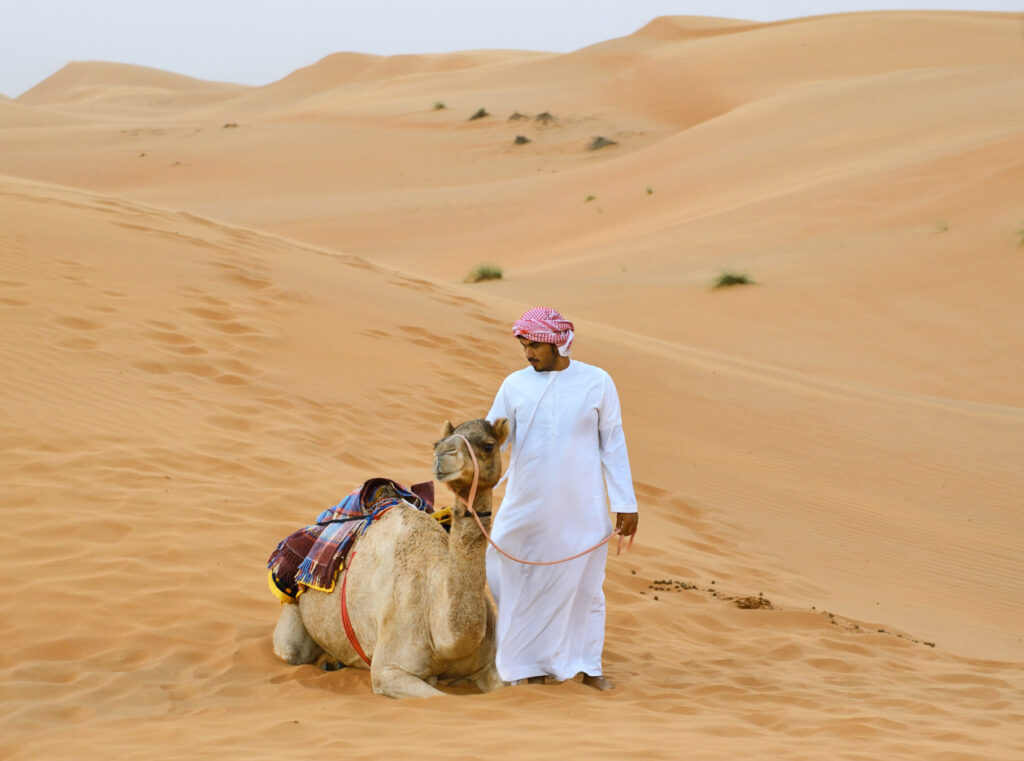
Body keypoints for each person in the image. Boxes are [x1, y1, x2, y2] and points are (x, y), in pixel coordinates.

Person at [485, 306, 639, 690]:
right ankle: (524, 666)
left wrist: (626, 502)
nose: (528, 354)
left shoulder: (597, 382)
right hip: (527, 504)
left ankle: (587, 667)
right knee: (511, 572)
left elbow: (613, 442)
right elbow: (491, 437)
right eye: (524, 346)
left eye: (535, 345)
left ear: (557, 343)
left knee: (585, 585)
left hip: (581, 506)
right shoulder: (514, 385)